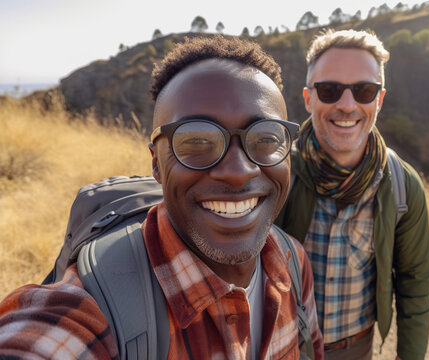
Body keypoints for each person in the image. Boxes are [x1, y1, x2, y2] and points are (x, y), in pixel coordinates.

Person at [0, 35, 324, 359]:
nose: (238, 171)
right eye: (196, 141)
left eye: (266, 138)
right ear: (156, 162)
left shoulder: (292, 260)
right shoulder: (98, 308)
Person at [274, 29, 429, 360]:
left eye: (363, 90)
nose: (347, 106)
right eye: (329, 90)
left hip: (355, 350)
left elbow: (415, 282)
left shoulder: (403, 185)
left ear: (379, 99)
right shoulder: (275, 172)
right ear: (308, 99)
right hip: (277, 343)